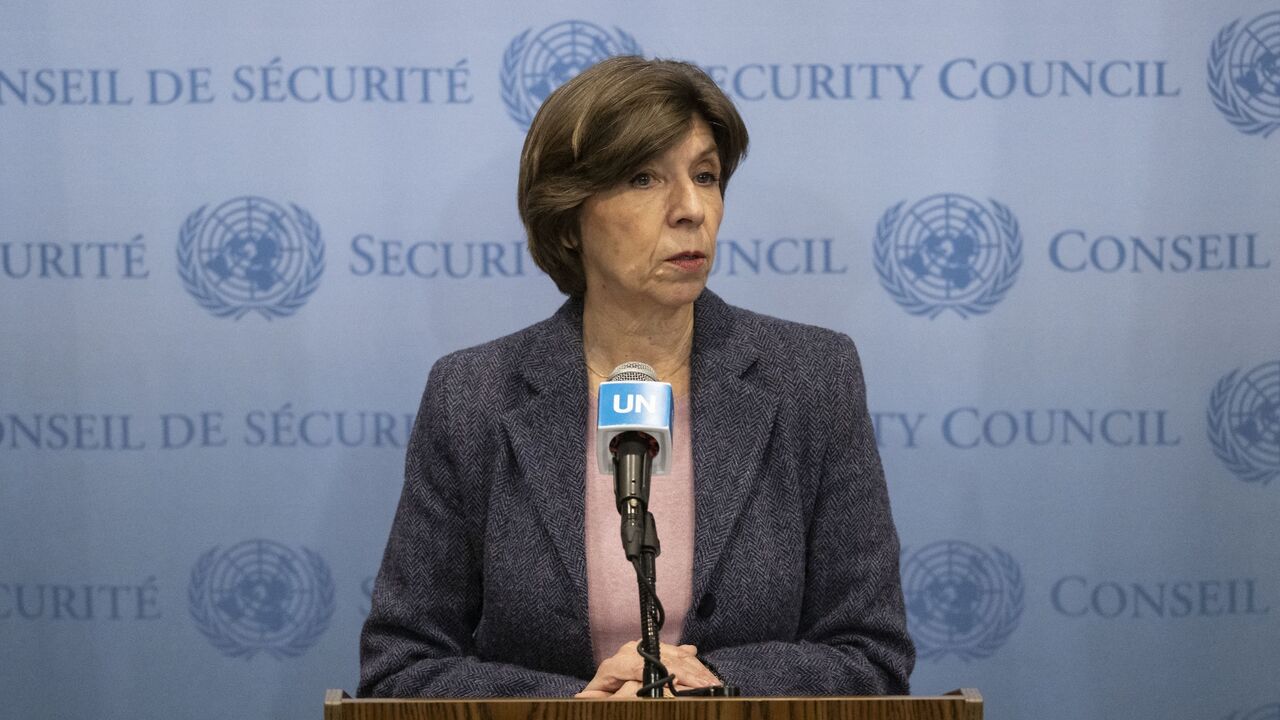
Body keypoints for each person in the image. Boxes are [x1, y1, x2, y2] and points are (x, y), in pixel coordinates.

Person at [359, 56, 914, 698]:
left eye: (705, 176)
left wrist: (711, 682)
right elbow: (401, 668)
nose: (690, 209)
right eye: (644, 178)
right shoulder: (473, 396)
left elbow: (871, 655)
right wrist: (572, 707)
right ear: (569, 218)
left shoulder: (812, 379)